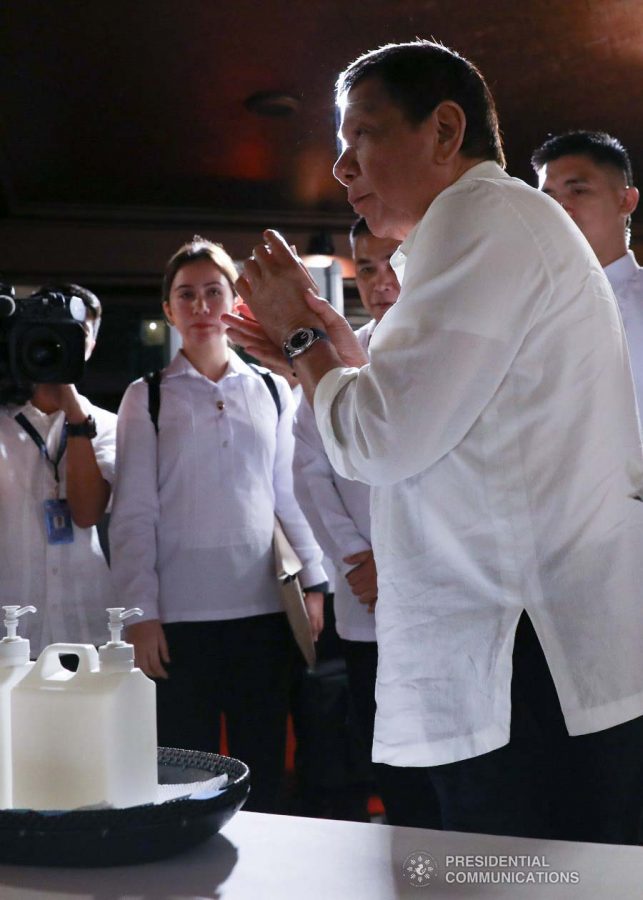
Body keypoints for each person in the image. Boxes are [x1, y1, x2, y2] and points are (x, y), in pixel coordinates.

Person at [223, 40, 643, 843]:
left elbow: (378, 439)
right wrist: (329, 349)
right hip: (525, 643)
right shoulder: (492, 225)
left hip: (523, 650)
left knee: (517, 882)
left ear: (444, 130)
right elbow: (435, 410)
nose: (342, 169)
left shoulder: (481, 220)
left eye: (361, 138)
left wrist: (306, 344)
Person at [109, 236, 326, 813]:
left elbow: (291, 496)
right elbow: (132, 511)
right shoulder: (146, 397)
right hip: (180, 621)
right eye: (187, 295)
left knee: (263, 770)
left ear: (235, 303)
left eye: (213, 292)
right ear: (169, 310)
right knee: (185, 773)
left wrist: (314, 585)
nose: (201, 306)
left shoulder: (272, 389)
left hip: (263, 614)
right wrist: (141, 615)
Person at [292, 217, 439, 827]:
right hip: (366, 597)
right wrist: (357, 557)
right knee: (388, 756)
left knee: (454, 764)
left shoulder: (445, 347)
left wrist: (399, 558)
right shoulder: (332, 357)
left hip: (439, 588)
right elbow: (308, 470)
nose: (382, 282)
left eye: (393, 263)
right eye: (368, 268)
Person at [0, 284, 116, 655]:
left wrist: (76, 415)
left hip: (87, 630)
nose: (58, 343)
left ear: (91, 345)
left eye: (75, 333)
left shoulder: (110, 424)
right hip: (11, 634)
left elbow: (86, 512)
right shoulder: (2, 423)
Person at [531, 130, 643, 412]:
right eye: (549, 197)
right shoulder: (532, 307)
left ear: (626, 201)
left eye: (578, 191)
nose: (560, 209)